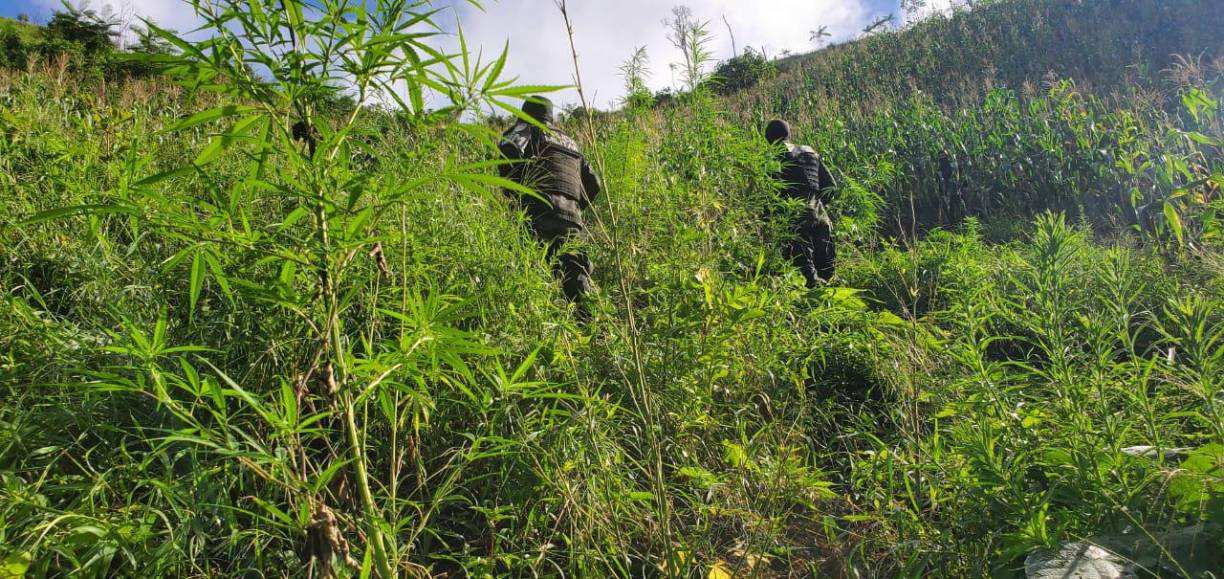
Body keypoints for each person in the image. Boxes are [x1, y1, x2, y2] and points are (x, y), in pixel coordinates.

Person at [498, 96, 601, 319]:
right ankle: (591, 335)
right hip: (571, 219)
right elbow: (594, 184)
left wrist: (512, 193)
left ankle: (533, 330)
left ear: (525, 113)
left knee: (528, 276)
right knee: (577, 282)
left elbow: (509, 150)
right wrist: (575, 205)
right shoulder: (571, 142)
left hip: (536, 212)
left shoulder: (526, 128)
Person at [765, 119, 837, 288]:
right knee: (826, 267)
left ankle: (811, 296)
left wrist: (770, 217)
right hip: (819, 211)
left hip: (795, 210)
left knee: (806, 268)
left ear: (769, 138)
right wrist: (819, 205)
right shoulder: (810, 152)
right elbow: (831, 185)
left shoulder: (775, 156)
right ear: (788, 134)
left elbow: (771, 191)